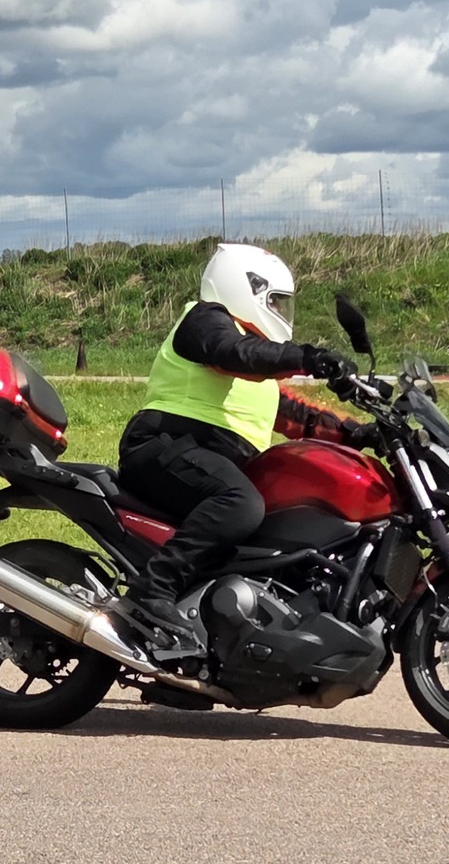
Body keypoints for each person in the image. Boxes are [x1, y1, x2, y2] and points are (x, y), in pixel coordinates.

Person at [110, 242, 369, 659]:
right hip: (165, 445)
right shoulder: (205, 321)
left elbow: (297, 415)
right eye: (276, 302)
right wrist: (308, 358)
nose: (281, 312)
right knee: (240, 503)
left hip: (206, 459)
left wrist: (363, 433)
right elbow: (234, 354)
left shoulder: (256, 369)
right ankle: (151, 590)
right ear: (245, 287)